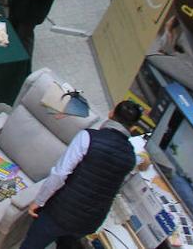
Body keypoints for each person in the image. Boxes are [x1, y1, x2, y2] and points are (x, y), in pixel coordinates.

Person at [20, 101, 143, 249]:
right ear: (133, 128)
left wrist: (39, 201)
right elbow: (139, 163)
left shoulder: (88, 137)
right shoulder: (130, 158)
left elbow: (60, 174)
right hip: (88, 222)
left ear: (110, 114)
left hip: (59, 212)